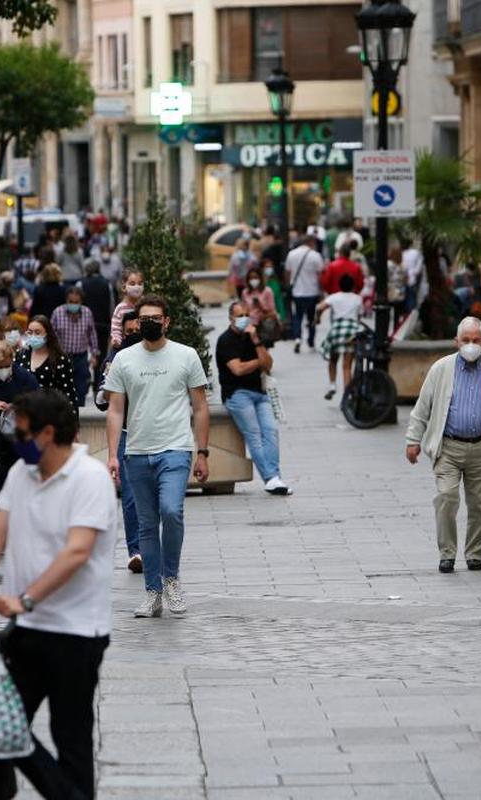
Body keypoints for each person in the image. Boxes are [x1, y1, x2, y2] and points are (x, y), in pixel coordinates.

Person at [0, 389, 116, 800]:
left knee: (70, 736)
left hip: (76, 632)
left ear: (46, 433)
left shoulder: (89, 478)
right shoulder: (23, 474)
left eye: (20, 433)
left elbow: (77, 551)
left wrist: (25, 599)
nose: (13, 440)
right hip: (26, 630)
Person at [104, 294, 210, 617]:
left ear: (167, 321)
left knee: (171, 511)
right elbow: (115, 409)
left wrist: (202, 452)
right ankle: (152, 592)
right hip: (136, 451)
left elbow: (201, 407)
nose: (149, 323)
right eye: (144, 318)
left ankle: (172, 580)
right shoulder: (124, 359)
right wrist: (111, 455)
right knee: (147, 525)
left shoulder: (186, 355)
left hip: (176, 448)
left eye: (155, 318)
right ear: (137, 322)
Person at [405, 317, 481, 573]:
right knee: (446, 497)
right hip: (449, 447)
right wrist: (413, 440)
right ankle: (447, 553)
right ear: (457, 341)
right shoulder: (441, 369)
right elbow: (422, 408)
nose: (471, 345)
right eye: (466, 340)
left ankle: (474, 553)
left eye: (476, 340)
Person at [217, 302, 289, 495]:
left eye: (247, 314)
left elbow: (269, 365)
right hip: (237, 394)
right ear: (231, 318)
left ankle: (274, 477)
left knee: (271, 431)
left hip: (259, 392)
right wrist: (259, 362)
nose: (244, 319)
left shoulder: (254, 336)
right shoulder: (225, 340)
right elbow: (237, 369)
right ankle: (272, 478)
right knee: (254, 435)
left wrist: (256, 340)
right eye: (240, 315)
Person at [95, 311, 143, 572]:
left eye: (139, 329)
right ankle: (136, 550)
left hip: (157, 434)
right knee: (131, 496)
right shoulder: (115, 359)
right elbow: (102, 401)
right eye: (130, 332)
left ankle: (152, 546)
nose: (134, 335)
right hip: (127, 433)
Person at [316, 274, 364, 401]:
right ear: (353, 286)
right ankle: (347, 394)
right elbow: (360, 317)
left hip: (337, 329)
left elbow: (319, 307)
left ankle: (332, 385)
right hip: (352, 330)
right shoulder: (358, 298)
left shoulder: (334, 297)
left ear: (340, 286)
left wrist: (317, 319)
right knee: (347, 365)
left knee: (333, 359)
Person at [51, 287, 99, 406]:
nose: (73, 304)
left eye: (76, 302)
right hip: (62, 356)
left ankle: (79, 415)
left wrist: (94, 354)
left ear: (81, 302)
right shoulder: (58, 313)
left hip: (81, 357)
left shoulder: (87, 313)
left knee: (81, 388)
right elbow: (51, 335)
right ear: (66, 301)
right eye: (71, 302)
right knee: (62, 388)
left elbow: (92, 334)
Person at [17, 315, 77, 407]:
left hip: (51, 412)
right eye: (30, 332)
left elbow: (68, 392)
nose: (33, 336)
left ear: (47, 334)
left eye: (37, 333)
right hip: (25, 411)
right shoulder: (20, 355)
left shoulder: (60, 359)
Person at [286, 234, 325, 352]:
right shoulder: (316, 256)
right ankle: (311, 341)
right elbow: (320, 275)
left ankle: (297, 337)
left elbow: (287, 272)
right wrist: (321, 291)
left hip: (297, 292)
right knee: (311, 317)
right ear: (311, 242)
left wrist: (288, 286)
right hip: (312, 291)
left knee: (298, 316)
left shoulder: (291, 254)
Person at [81, 260, 114, 363]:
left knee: (85, 351)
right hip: (103, 323)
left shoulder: (81, 283)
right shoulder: (107, 284)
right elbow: (111, 304)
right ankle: (99, 375)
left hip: (84, 324)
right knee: (102, 351)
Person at [110, 269, 144, 346]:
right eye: (132, 284)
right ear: (124, 287)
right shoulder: (120, 308)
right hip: (126, 346)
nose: (137, 287)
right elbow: (116, 329)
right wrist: (116, 340)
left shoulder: (145, 304)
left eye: (140, 283)